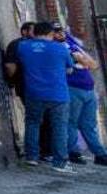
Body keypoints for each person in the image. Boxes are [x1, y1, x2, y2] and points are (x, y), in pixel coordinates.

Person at [7, 22, 75, 173]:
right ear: (50, 33)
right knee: (59, 127)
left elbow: (15, 65)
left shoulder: (23, 47)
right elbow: (70, 69)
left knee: (32, 124)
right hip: (58, 95)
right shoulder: (60, 48)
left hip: (33, 93)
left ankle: (31, 157)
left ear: (35, 32)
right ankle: (60, 163)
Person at [55, 26, 107, 166]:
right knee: (71, 122)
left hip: (88, 89)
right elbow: (86, 63)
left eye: (61, 31)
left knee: (89, 124)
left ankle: (100, 154)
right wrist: (84, 61)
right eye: (56, 32)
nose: (60, 34)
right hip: (72, 88)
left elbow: (93, 64)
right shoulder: (57, 48)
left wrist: (84, 61)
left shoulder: (72, 43)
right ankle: (73, 152)